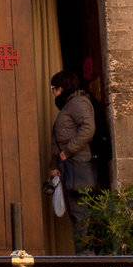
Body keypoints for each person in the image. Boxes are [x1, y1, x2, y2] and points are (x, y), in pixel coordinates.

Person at [50, 69, 96, 246]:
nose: (53, 93)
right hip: (69, 165)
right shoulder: (71, 104)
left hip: (77, 164)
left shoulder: (78, 103)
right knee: (76, 210)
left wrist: (67, 151)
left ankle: (86, 253)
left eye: (54, 88)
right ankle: (84, 252)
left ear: (62, 87)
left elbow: (88, 129)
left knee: (81, 210)